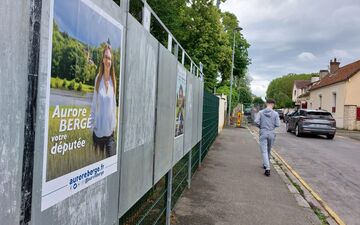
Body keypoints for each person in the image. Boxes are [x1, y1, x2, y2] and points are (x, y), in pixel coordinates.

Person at [90, 44, 117, 157]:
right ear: (102, 59)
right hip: (98, 134)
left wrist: (113, 127)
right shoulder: (98, 79)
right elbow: (93, 105)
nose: (108, 60)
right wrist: (91, 127)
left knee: (111, 164)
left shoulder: (113, 81)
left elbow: (114, 107)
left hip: (110, 135)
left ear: (111, 61)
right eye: (106, 57)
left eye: (109, 58)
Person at [254, 99, 280, 176]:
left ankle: (267, 168)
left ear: (266, 104)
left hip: (263, 132)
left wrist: (261, 126)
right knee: (268, 150)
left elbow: (256, 121)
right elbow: (278, 124)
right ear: (273, 104)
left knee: (264, 151)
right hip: (271, 133)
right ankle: (265, 164)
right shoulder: (275, 114)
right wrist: (271, 127)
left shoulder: (261, 112)